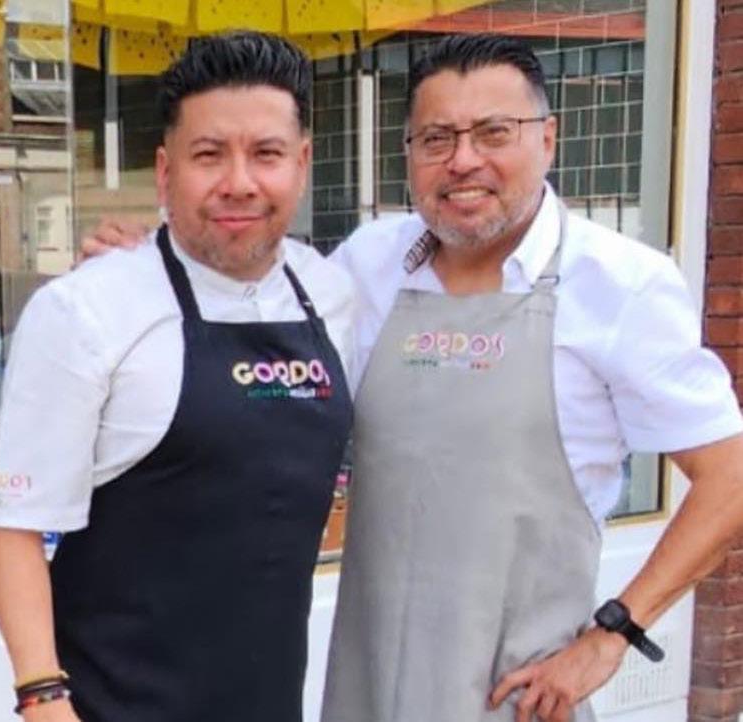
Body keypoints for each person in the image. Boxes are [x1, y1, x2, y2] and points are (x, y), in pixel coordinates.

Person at [83, 33, 743, 722]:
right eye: (436, 139)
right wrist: (147, 262)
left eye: (494, 132)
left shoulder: (622, 286)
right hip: (367, 687)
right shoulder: (368, 264)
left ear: (548, 140)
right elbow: (244, 304)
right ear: (409, 154)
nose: (464, 161)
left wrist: (614, 635)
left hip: (513, 698)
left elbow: (728, 478)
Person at [0, 33, 357, 722]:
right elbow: (12, 525)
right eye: (208, 155)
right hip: (110, 705)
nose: (239, 181)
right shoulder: (86, 310)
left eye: (266, 154)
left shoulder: (332, 294)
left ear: (302, 164)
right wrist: (42, 698)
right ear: (164, 171)